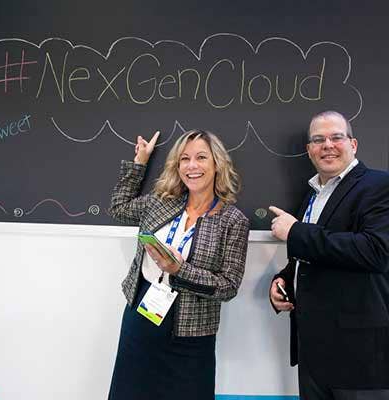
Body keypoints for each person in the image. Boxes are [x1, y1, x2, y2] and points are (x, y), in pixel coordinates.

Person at [108, 129, 249, 400]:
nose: (192, 166)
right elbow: (119, 208)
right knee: (130, 392)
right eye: (185, 158)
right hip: (142, 314)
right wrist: (140, 163)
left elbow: (228, 286)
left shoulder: (233, 221)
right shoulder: (161, 202)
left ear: (217, 164)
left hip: (192, 332)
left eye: (201, 157)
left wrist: (179, 270)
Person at [269, 111, 389, 400]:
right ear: (309, 150)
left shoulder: (379, 185)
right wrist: (285, 279)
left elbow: (376, 251)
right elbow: (315, 254)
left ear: (353, 144)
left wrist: (295, 232)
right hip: (314, 353)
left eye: (337, 137)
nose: (328, 145)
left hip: (359, 358)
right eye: (318, 140)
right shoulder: (313, 193)